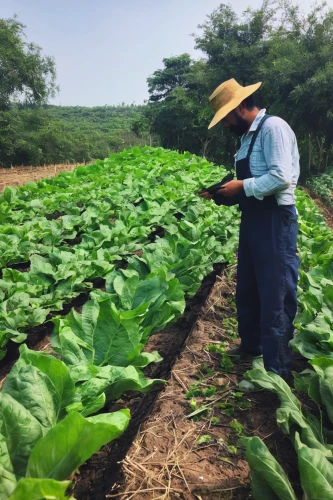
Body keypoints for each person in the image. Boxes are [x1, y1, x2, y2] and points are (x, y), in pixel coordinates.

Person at [199, 78, 300, 380]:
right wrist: (222, 193)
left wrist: (241, 185)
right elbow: (251, 186)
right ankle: (252, 346)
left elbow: (280, 177)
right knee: (249, 288)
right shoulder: (247, 138)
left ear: (241, 106)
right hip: (253, 219)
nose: (227, 125)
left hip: (274, 220)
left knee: (275, 294)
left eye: (227, 118)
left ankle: (277, 371)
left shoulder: (273, 128)